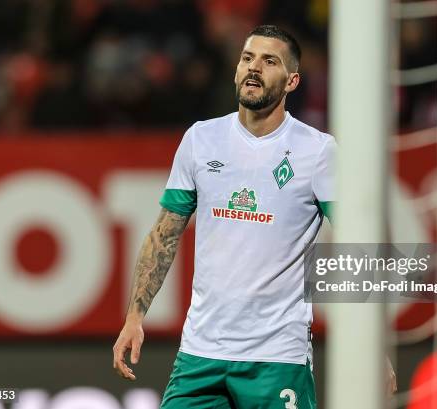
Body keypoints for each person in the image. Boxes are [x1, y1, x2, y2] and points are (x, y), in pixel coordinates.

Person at [113, 24, 394, 408]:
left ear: (292, 80)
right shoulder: (201, 139)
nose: (254, 68)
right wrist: (134, 317)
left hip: (277, 359)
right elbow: (164, 233)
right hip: (201, 353)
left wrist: (371, 347)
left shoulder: (318, 152)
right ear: (236, 70)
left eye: (269, 60)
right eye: (248, 58)